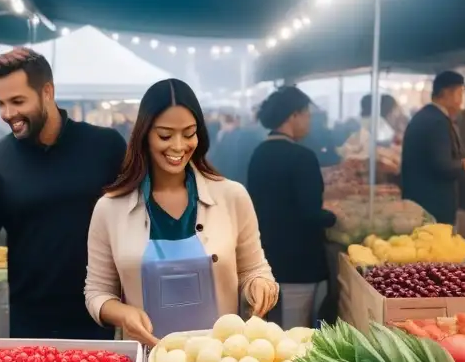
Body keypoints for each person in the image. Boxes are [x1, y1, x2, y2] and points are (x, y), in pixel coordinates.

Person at [0, 47, 126, 338]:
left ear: (47, 92)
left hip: (98, 314)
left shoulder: (104, 146)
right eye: (1, 104)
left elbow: (135, 214)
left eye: (18, 101)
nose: (8, 114)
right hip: (29, 320)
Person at [85, 78, 277, 346]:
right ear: (144, 135)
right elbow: (97, 292)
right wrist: (122, 313)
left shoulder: (232, 197)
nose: (178, 146)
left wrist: (260, 287)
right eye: (165, 135)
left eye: (189, 134)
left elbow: (255, 269)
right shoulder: (110, 208)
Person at [247, 87, 336, 329]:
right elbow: (310, 212)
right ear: (293, 115)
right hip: (299, 262)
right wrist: (334, 217)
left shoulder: (259, 153)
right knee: (296, 332)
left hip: (267, 256)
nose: (309, 121)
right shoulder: (302, 157)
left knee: (269, 329)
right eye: (307, 114)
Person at [401, 71, 465, 225]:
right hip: (433, 204)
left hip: (419, 201)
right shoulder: (437, 121)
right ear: (446, 93)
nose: (461, 101)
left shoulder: (424, 116)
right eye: (460, 94)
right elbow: (443, 165)